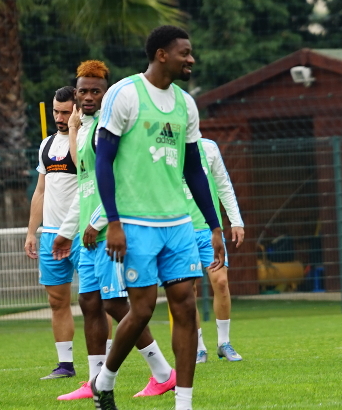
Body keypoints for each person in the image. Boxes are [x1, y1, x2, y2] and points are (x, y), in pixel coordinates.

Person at [91, 25, 224, 410]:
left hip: (178, 224)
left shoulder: (186, 104)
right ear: (162, 54)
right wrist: (112, 221)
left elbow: (195, 170)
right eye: (185, 52)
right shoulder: (125, 93)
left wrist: (215, 226)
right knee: (143, 308)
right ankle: (106, 379)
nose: (191, 58)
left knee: (184, 306)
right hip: (134, 224)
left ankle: (184, 402)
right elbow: (104, 160)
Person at [53, 60, 176, 401]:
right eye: (83, 91)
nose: (88, 96)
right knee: (89, 300)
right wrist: (69, 230)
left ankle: (163, 373)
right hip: (86, 231)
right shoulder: (87, 125)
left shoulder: (112, 129)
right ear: (75, 93)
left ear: (107, 93)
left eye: (95, 90)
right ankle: (93, 381)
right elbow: (85, 178)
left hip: (107, 228)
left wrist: (99, 221)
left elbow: (120, 181)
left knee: (116, 304)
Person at [25, 86, 84, 380]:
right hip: (49, 234)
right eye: (55, 111)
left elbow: (82, 167)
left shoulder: (86, 138)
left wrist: (74, 129)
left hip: (81, 234)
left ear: (76, 109)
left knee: (95, 300)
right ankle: (65, 365)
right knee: (56, 301)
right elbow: (40, 191)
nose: (59, 117)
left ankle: (106, 363)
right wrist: (31, 232)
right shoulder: (46, 145)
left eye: (65, 112)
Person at [186, 138, 245, 363]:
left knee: (220, 282)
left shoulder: (207, 147)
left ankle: (224, 343)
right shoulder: (164, 147)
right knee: (187, 290)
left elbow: (223, 184)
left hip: (208, 230)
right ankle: (199, 346)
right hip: (179, 231)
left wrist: (236, 221)